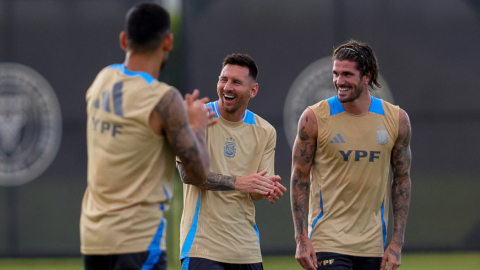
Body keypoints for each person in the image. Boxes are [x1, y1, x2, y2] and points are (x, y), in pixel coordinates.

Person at [80, 3, 214, 270]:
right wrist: (197, 125)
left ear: (123, 39)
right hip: (138, 240)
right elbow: (199, 174)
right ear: (168, 41)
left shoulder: (101, 80)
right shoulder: (164, 99)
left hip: (93, 238)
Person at [290, 40, 412, 270]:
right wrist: (301, 238)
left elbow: (402, 180)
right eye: (335, 74)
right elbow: (299, 178)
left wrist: (397, 241)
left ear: (367, 76)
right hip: (327, 241)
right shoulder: (314, 118)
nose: (339, 81)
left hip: (373, 245)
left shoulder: (397, 119)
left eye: (347, 74)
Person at [176, 53, 287, 270]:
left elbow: (255, 193)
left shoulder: (265, 131)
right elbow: (187, 174)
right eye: (223, 79)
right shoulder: (198, 119)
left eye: (236, 82)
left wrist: (265, 189)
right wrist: (239, 182)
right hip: (202, 247)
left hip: (246, 250)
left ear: (252, 90)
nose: (227, 87)